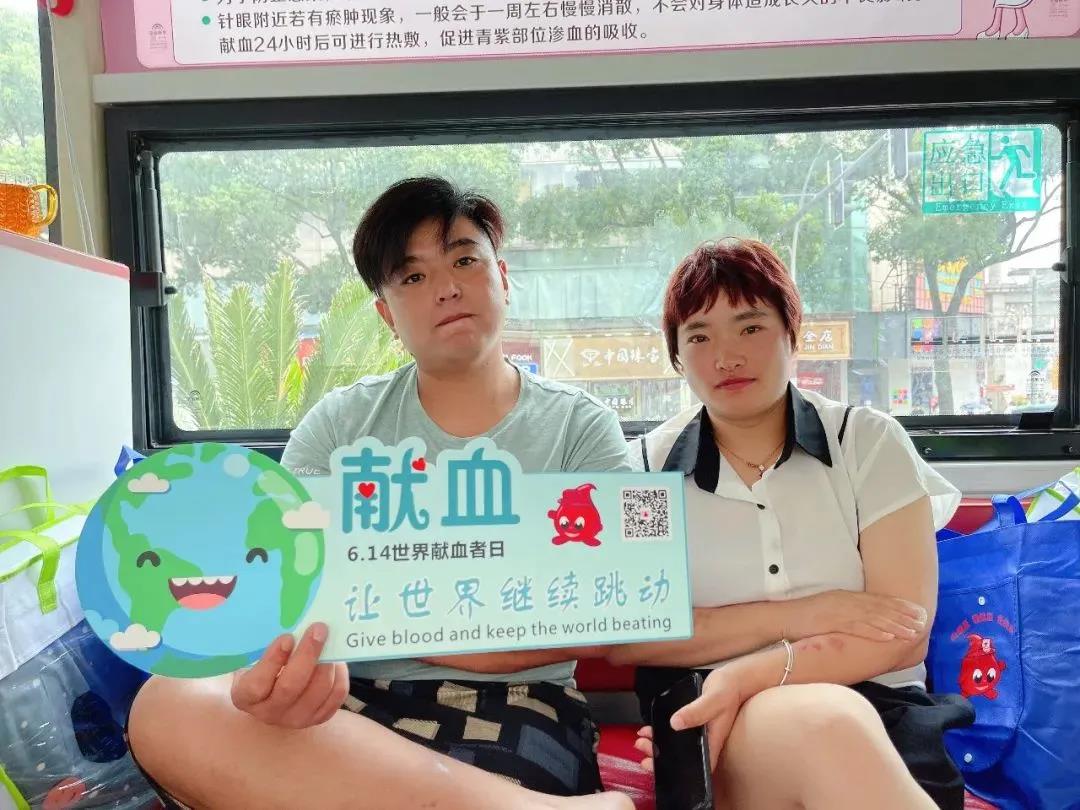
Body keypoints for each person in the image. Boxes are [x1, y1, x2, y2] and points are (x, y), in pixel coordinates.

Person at [125, 177, 635, 810]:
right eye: (413, 277)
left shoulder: (580, 428)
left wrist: (434, 640)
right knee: (167, 702)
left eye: (465, 261)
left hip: (522, 703)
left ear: (503, 278)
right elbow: (281, 588)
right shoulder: (338, 426)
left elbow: (610, 612)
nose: (446, 288)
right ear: (388, 315)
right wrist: (271, 672)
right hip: (348, 698)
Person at [618, 239, 975, 810]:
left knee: (834, 724)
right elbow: (633, 636)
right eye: (699, 337)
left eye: (750, 327)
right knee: (828, 724)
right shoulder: (643, 472)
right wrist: (806, 614)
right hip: (713, 713)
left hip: (875, 707)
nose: (726, 357)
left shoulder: (867, 443)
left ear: (792, 333)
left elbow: (905, 628)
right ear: (677, 356)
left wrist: (744, 674)